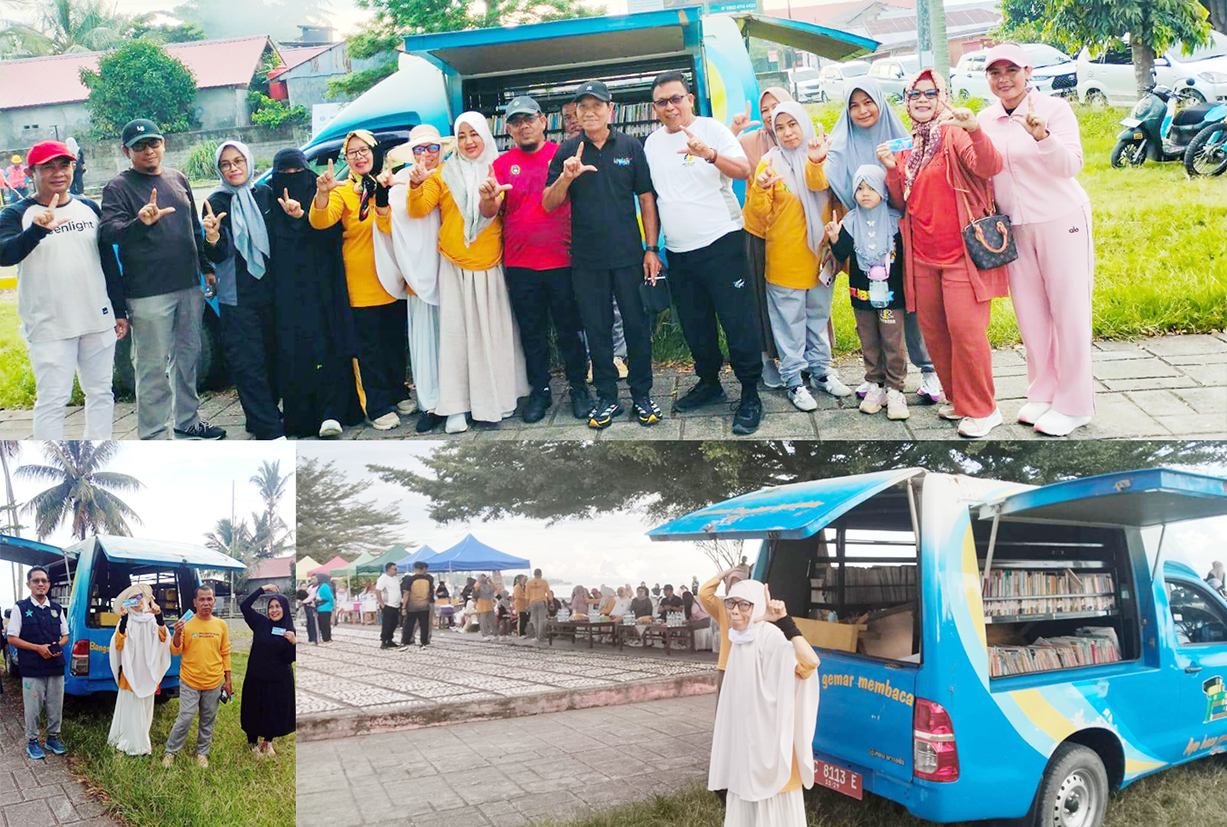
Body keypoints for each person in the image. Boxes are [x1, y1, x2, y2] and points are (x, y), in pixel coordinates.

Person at [881, 69, 1008, 438]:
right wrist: (891, 171)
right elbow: (901, 200)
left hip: (961, 256)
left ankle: (985, 409)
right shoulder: (911, 145)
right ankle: (959, 400)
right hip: (922, 256)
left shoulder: (952, 133)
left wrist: (974, 129)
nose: (922, 99)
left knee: (966, 332)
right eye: (914, 94)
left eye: (930, 92)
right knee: (935, 333)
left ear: (942, 96)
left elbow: (989, 166)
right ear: (906, 101)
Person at [978, 43, 1095, 436]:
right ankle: (1043, 392)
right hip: (1014, 229)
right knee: (1030, 314)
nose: (1004, 79)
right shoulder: (984, 120)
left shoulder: (1054, 109)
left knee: (1069, 311)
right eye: (995, 72)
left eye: (1011, 70)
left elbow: (1070, 166)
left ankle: (1076, 404)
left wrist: (1043, 136)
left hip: (1061, 219)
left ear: (1027, 71)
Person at [642, 71, 763, 435]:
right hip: (679, 252)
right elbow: (654, 199)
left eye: (676, 98)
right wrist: (653, 246)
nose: (670, 107)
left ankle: (750, 394)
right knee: (696, 325)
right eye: (662, 102)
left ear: (690, 99)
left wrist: (709, 154)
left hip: (722, 242)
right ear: (655, 108)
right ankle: (709, 382)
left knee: (737, 320)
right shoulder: (651, 144)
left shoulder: (713, 131)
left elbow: (744, 170)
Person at [544, 80, 663, 429]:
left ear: (610, 110)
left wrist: (651, 248)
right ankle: (607, 397)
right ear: (576, 114)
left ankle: (642, 395)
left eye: (597, 105)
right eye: (583, 107)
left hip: (629, 256)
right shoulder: (567, 150)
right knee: (596, 330)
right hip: (586, 260)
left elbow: (646, 199)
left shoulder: (630, 146)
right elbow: (549, 203)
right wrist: (566, 177)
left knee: (637, 327)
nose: (590, 112)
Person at [99, 119, 224, 440]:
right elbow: (109, 231)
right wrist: (140, 221)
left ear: (164, 144)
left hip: (189, 286)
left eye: (153, 143)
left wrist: (206, 266)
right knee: (152, 366)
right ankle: (154, 435)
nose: (148, 150)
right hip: (148, 294)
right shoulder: (118, 187)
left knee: (189, 357)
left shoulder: (177, 178)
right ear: (126, 151)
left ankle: (188, 419)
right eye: (139, 146)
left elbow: (194, 229)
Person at [410, 112, 529, 432]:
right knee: (456, 339)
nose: (468, 142)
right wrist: (415, 184)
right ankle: (457, 408)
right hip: (453, 266)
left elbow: (493, 210)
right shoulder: (443, 174)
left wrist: (489, 199)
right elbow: (418, 209)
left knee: (492, 336)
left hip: (490, 264)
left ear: (485, 135)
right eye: (461, 136)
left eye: (473, 134)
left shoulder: (498, 169)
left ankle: (496, 400)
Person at [0, 140, 128, 439]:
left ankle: (98, 448)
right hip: (50, 324)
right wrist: (37, 231)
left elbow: (107, 260)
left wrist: (118, 310)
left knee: (100, 393)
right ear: (32, 172)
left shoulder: (88, 207)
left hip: (96, 319)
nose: (58, 173)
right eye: (48, 167)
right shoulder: (17, 213)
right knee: (53, 400)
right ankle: (53, 459)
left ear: (74, 168)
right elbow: (4, 254)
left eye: (64, 165)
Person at [827, 80, 943, 406]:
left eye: (868, 102)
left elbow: (919, 182)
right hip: (863, 239)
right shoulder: (840, 144)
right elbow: (833, 183)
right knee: (873, 315)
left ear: (881, 103)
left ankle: (928, 369)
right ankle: (877, 378)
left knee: (910, 306)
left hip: (901, 233)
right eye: (854, 105)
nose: (862, 111)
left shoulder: (903, 139)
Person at [493, 96, 593, 423]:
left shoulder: (564, 154)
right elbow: (491, 211)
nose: (524, 126)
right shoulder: (501, 164)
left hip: (563, 260)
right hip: (521, 264)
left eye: (530, 119)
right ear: (508, 128)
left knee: (570, 330)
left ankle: (579, 387)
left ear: (543, 121)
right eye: (516, 121)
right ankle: (540, 390)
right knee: (532, 333)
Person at [743, 103, 844, 414]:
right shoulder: (769, 163)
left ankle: (821, 372)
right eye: (780, 127)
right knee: (789, 323)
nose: (787, 133)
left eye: (792, 125)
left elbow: (819, 185)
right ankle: (793, 380)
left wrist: (815, 160)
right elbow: (756, 217)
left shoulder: (824, 155)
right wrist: (760, 189)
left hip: (818, 257)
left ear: (804, 124)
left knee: (817, 318)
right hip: (784, 258)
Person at [310, 130, 410, 431]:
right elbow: (320, 221)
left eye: (364, 149)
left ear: (375, 152)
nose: (359, 156)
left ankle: (397, 390)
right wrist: (323, 193)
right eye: (352, 152)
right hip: (360, 280)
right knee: (368, 348)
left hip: (393, 277)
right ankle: (376, 404)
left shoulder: (393, 183)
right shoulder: (343, 191)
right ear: (346, 158)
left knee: (394, 341)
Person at [708, 580, 820, 825]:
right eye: (731, 603)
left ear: (756, 605)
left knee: (775, 809)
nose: (734, 611)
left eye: (744, 604)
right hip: (747, 746)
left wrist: (783, 621)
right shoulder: (740, 638)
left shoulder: (770, 636)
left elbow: (810, 662)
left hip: (772, 743)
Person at [267, 149, 362, 438]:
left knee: (329, 344)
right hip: (287, 293)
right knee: (294, 350)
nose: (294, 180)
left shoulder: (323, 194)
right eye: (285, 175)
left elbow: (328, 231)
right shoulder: (268, 203)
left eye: (298, 173)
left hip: (324, 287)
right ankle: (302, 417)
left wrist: (302, 216)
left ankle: (333, 410)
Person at [203, 140, 283, 439]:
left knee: (274, 358)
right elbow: (219, 253)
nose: (233, 168)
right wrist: (212, 237)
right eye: (225, 164)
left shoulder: (264, 193)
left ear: (249, 162)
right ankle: (268, 428)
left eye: (238, 161)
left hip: (271, 291)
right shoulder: (216, 202)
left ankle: (262, 415)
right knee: (248, 363)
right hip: (237, 296)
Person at [373, 126, 450, 432]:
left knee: (452, 338)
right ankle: (430, 404)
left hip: (451, 271)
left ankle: (457, 401)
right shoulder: (399, 184)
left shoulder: (452, 176)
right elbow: (390, 227)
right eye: (419, 149)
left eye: (432, 148)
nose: (426, 155)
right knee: (423, 342)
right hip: (418, 275)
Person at [826, 165, 909, 420]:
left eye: (871, 187)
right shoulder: (850, 221)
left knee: (892, 341)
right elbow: (842, 256)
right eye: (860, 188)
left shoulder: (896, 220)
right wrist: (835, 239)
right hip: (861, 295)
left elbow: (906, 259)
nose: (865, 193)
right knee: (869, 340)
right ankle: (875, 385)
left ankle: (896, 389)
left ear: (883, 191)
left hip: (891, 296)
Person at [732, 87, 795, 389]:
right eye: (766, 109)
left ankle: (808, 358)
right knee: (760, 295)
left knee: (801, 297)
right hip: (758, 231)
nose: (770, 114)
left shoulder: (800, 137)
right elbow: (721, 159)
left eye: (777, 106)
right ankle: (767, 358)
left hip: (795, 232)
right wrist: (734, 129)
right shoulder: (749, 142)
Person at [163, 586, 231, 768]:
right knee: (185, 717)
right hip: (189, 680)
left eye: (209, 599)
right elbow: (175, 651)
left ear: (214, 601)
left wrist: (228, 679)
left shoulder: (221, 625)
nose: (206, 603)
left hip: (214, 681)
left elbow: (225, 652)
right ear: (195, 602)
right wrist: (176, 634)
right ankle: (170, 752)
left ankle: (202, 753)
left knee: (208, 719)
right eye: (201, 599)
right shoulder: (186, 623)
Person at [7, 566, 69, 760]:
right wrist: (38, 648)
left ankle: (52, 738)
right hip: (32, 668)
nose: (40, 584)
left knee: (55, 705)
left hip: (55, 666)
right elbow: (11, 638)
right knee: (33, 706)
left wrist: (55, 646)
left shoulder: (56, 609)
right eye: (36, 581)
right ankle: (33, 741)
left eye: (44, 580)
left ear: (49, 584)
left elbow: (66, 635)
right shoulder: (21, 608)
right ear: (29, 584)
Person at [107, 584, 171, 756]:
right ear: (128, 604)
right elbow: (118, 644)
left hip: (148, 672)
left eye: (140, 597)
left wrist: (159, 617)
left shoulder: (152, 620)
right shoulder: (125, 621)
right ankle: (135, 745)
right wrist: (124, 620)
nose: (138, 602)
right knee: (131, 707)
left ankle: (142, 739)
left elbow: (163, 638)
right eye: (133, 599)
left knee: (145, 708)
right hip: (130, 673)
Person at [239, 585, 296, 756]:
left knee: (274, 710)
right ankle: (252, 744)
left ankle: (267, 741)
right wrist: (261, 589)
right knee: (253, 709)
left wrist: (294, 644)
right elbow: (244, 606)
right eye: (271, 607)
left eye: (278, 606)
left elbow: (289, 658)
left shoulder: (289, 630)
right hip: (256, 677)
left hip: (279, 680)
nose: (274, 610)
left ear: (285, 609)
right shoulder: (260, 623)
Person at [400, 561, 434, 647]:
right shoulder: (428, 580)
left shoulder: (410, 579)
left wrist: (404, 607)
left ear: (414, 569)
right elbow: (430, 593)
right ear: (423, 569)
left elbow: (406, 593)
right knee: (424, 624)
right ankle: (424, 641)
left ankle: (406, 640)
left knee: (409, 623)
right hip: (425, 605)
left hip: (412, 606)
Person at [375, 562, 401, 648]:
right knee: (387, 624)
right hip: (388, 604)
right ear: (388, 569)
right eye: (394, 569)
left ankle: (390, 639)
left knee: (394, 623)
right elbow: (378, 591)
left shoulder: (395, 579)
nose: (396, 571)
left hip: (396, 605)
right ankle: (384, 641)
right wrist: (382, 603)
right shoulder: (383, 578)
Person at [314, 573, 335, 643]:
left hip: (325, 607)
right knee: (323, 623)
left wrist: (332, 605)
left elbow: (330, 597)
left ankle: (327, 638)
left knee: (325, 624)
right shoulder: (320, 586)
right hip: (321, 607)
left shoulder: (324, 586)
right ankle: (325, 637)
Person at [474, 574, 496, 639]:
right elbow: (476, 588)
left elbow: (495, 589)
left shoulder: (489, 585)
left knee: (492, 620)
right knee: (483, 621)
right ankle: (485, 634)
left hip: (490, 605)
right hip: (482, 605)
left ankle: (495, 633)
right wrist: (479, 581)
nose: (484, 578)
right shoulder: (478, 585)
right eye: (482, 577)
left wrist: (490, 581)